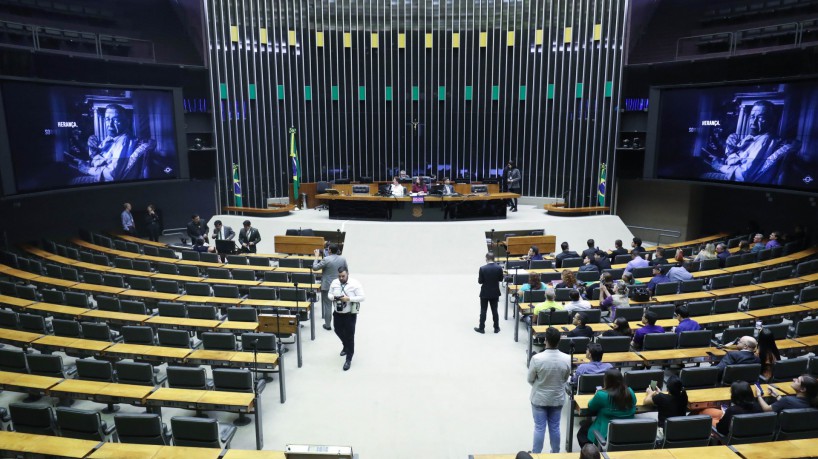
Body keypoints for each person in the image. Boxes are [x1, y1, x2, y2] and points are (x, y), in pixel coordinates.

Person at [707, 100, 800, 185]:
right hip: (728, 168)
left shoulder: (764, 141)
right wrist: (730, 146)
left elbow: (744, 175)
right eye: (752, 117)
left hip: (734, 179)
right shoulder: (752, 137)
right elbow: (734, 156)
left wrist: (720, 166)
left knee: (703, 174)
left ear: (771, 121)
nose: (753, 122)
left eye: (760, 118)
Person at [71, 104, 155, 183]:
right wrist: (92, 148)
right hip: (95, 170)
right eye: (107, 119)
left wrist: (87, 169)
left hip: (104, 180)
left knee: (72, 181)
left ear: (126, 122)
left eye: (116, 120)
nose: (110, 124)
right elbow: (99, 158)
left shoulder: (123, 141)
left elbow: (113, 174)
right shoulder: (111, 137)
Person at [527, 327, 571, 454]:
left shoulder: (537, 359)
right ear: (559, 341)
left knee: (539, 428)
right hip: (557, 397)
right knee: (555, 427)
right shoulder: (567, 358)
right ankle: (555, 453)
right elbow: (565, 378)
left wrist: (540, 385)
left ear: (545, 340)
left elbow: (530, 379)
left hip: (539, 398)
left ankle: (536, 454)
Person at [577, 368, 636, 446]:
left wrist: (596, 394)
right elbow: (634, 403)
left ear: (606, 381)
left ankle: (591, 454)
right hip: (627, 433)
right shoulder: (630, 392)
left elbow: (591, 406)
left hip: (605, 435)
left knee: (582, 433)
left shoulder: (601, 395)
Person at [328, 266, 366, 371]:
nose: (341, 278)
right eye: (339, 276)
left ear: (347, 274)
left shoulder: (355, 284)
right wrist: (333, 297)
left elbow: (362, 297)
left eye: (343, 276)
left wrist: (348, 298)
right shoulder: (335, 283)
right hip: (338, 312)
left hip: (350, 314)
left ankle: (348, 358)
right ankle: (345, 345)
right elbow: (329, 294)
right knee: (337, 330)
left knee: (350, 336)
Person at [312, 243, 348, 331]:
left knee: (328, 306)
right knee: (339, 305)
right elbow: (346, 272)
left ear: (330, 250)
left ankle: (327, 325)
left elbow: (315, 268)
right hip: (339, 286)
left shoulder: (326, 259)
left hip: (327, 286)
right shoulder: (343, 259)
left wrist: (316, 256)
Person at [475, 252, 504, 334]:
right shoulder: (499, 268)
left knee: (483, 310)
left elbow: (480, 282)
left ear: (486, 259)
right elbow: (501, 279)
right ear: (494, 259)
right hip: (495, 292)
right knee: (495, 310)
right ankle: (496, 328)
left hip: (485, 292)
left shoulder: (482, 268)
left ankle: (481, 328)